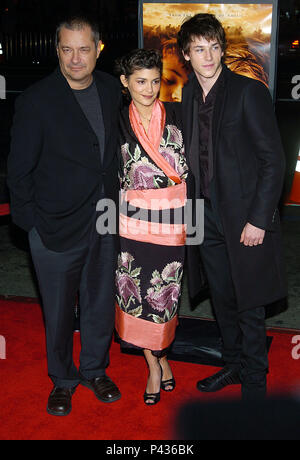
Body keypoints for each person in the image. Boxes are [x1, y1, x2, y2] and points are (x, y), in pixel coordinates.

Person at [7, 15, 121, 416]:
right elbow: (18, 171)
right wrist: (32, 228)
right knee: (56, 312)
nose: (76, 59)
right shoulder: (36, 100)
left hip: (106, 220)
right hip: (54, 227)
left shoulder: (111, 89)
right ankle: (63, 378)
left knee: (100, 303)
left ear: (98, 49)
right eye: (67, 49)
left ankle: (94, 369)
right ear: (57, 51)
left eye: (84, 49)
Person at [177, 14, 287, 400]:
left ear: (222, 49)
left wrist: (259, 219)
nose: (208, 56)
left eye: (214, 47)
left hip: (244, 218)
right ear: (186, 54)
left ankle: (255, 383)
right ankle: (234, 364)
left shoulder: (247, 92)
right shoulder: (188, 95)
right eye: (199, 49)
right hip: (204, 215)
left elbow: (273, 161)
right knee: (222, 298)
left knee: (250, 301)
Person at [114, 49, 188, 405]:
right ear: (125, 82)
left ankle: (162, 357)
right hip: (132, 222)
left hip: (175, 218)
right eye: (140, 81)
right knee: (140, 293)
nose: (149, 88)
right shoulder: (116, 121)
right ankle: (156, 367)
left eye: (155, 81)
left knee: (167, 294)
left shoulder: (177, 114)